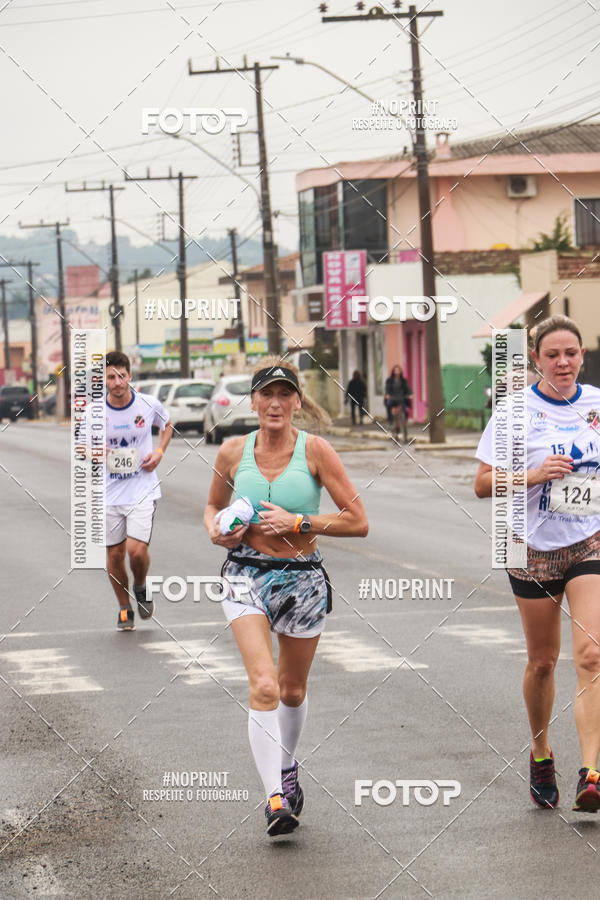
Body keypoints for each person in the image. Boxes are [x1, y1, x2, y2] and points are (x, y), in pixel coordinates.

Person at [204, 358, 368, 836]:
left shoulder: (316, 451)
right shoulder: (233, 451)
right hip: (244, 575)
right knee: (265, 686)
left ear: (297, 401)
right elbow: (213, 505)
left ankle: (288, 765)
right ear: (253, 401)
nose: (275, 403)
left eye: (284, 394)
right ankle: (275, 798)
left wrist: (300, 522)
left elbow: (358, 521)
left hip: (302, 579)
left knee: (292, 690)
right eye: (265, 395)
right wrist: (217, 531)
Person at [474, 315, 600, 812]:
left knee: (591, 655)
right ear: (536, 359)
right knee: (543, 661)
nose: (563, 362)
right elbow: (483, 484)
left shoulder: (597, 404)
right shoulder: (513, 413)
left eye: (571, 352)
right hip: (528, 548)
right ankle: (541, 750)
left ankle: (592, 772)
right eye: (553, 354)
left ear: (583, 355)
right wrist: (531, 475)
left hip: (589, 542)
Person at [100, 352, 173, 631]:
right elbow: (81, 445)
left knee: (136, 551)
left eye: (121, 375)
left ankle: (140, 585)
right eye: (111, 377)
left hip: (142, 489)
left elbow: (167, 424)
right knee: (116, 554)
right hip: (109, 493)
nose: (117, 382)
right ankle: (123, 606)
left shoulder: (147, 404)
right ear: (104, 380)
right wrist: (99, 452)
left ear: (129, 376)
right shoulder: (96, 413)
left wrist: (159, 451)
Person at [384, 364, 412, 440]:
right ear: (393, 371)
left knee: (405, 411)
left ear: (400, 371)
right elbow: (387, 389)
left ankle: (404, 425)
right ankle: (390, 422)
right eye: (395, 370)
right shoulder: (389, 380)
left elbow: (407, 388)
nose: (397, 371)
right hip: (393, 398)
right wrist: (387, 395)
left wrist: (410, 394)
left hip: (401, 398)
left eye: (398, 370)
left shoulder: (403, 380)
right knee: (389, 405)